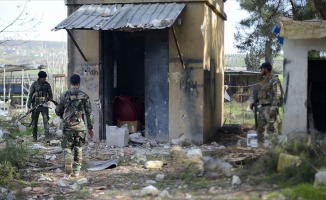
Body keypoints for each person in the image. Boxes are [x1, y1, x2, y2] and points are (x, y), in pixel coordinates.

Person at [55, 74, 94, 177]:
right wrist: (90, 128)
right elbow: (89, 113)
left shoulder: (64, 95)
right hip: (80, 127)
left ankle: (68, 156)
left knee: (67, 147)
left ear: (70, 82)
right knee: (78, 148)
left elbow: (58, 110)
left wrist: (61, 115)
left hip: (67, 126)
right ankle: (76, 172)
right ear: (79, 83)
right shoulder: (84, 96)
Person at [250, 62, 282, 147]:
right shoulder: (264, 80)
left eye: (262, 68)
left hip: (269, 108)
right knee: (260, 129)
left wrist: (273, 108)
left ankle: (275, 149)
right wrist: (254, 102)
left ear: (266, 69)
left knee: (272, 129)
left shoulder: (273, 79)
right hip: (262, 108)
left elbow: (277, 94)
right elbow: (262, 94)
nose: (261, 70)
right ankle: (261, 149)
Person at [27, 71, 53, 142]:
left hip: (44, 106)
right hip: (35, 106)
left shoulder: (47, 85)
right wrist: (28, 106)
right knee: (34, 122)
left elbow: (50, 94)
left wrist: (50, 100)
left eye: (45, 78)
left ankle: (47, 138)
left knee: (46, 121)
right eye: (43, 78)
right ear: (40, 78)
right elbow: (30, 95)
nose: (44, 79)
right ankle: (34, 138)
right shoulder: (34, 85)